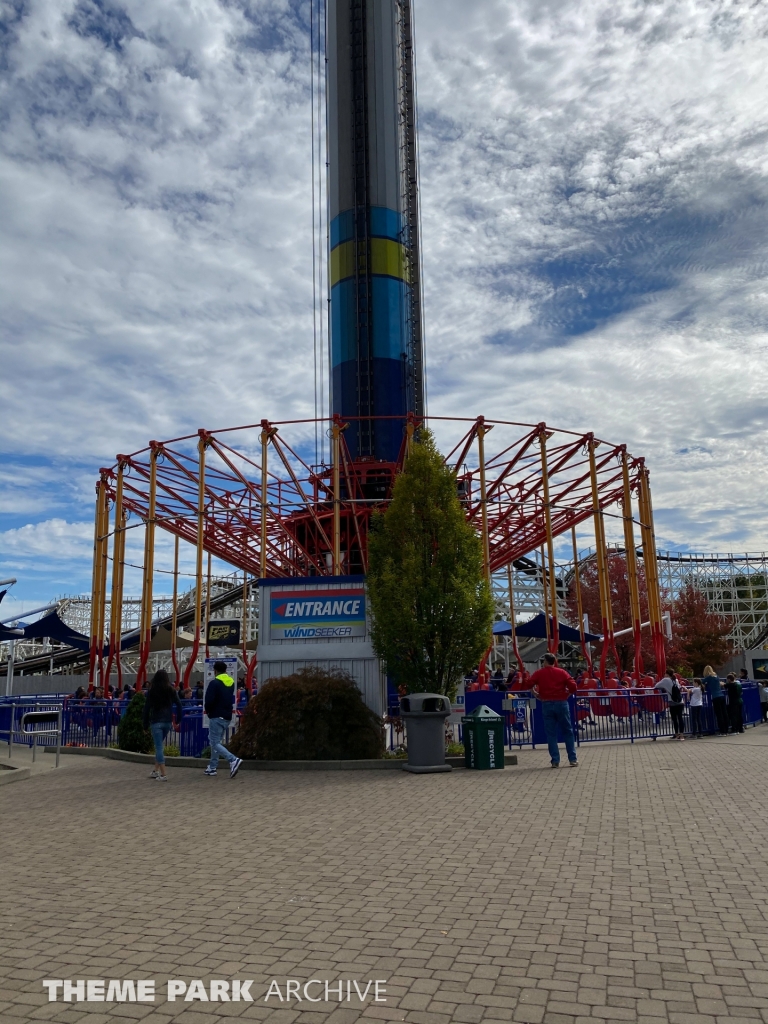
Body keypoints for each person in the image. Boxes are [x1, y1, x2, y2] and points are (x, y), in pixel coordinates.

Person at [529, 653, 578, 768]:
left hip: (546, 703)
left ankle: (555, 760)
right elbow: (573, 686)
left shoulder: (539, 673)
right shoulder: (562, 672)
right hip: (561, 703)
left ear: (545, 661)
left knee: (551, 734)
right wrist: (568, 694)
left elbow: (529, 683)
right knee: (568, 731)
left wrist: (535, 693)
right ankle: (572, 759)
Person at [142, 669, 183, 781]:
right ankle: (155, 771)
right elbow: (179, 704)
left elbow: (146, 709)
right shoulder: (171, 690)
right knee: (159, 746)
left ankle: (164, 774)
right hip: (167, 722)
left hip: (156, 721)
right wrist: (178, 719)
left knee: (159, 747)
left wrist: (145, 725)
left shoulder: (152, 691)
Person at [204, 661, 243, 778]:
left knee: (214, 742)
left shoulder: (214, 683)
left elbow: (209, 700)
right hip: (227, 716)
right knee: (217, 742)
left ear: (215, 671)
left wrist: (209, 712)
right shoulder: (231, 683)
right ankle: (212, 767)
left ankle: (233, 760)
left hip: (216, 715)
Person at [703, 665, 728, 735]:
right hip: (721, 696)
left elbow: (702, 681)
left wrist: (706, 684)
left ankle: (722, 731)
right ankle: (726, 729)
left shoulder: (709, 678)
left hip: (715, 697)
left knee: (719, 715)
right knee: (724, 713)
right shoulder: (716, 676)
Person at [667, 675, 686, 740]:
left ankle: (676, 734)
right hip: (680, 701)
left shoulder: (665, 680)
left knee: (674, 719)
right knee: (680, 718)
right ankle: (682, 735)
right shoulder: (676, 680)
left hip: (672, 702)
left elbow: (657, 686)